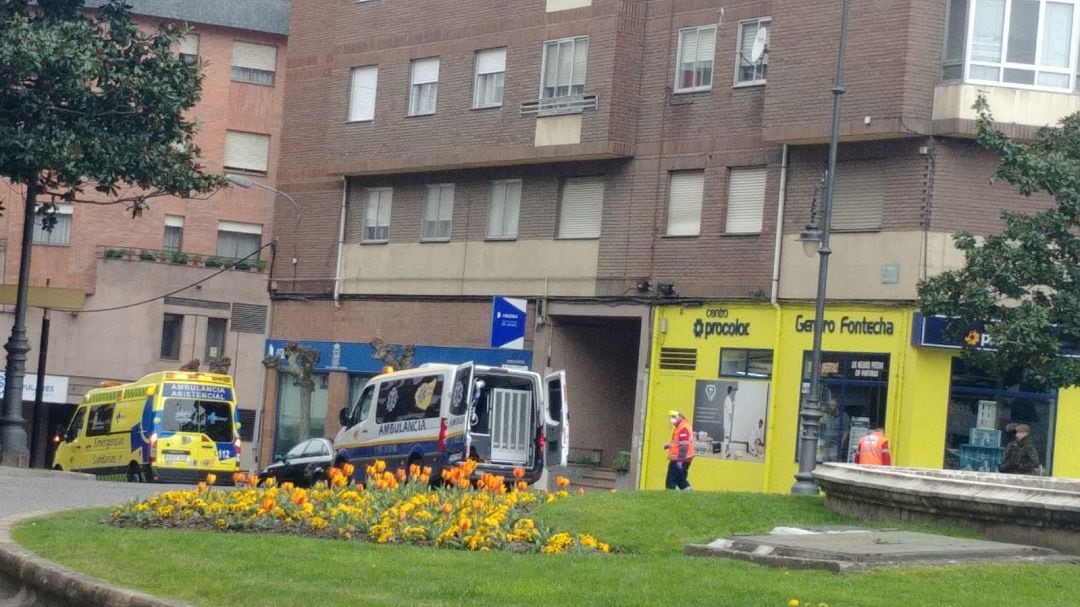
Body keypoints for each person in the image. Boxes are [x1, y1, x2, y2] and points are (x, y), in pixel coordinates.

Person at [663, 410, 695, 490]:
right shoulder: (683, 426)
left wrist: (680, 460)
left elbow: (684, 445)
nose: (672, 420)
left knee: (671, 481)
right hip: (685, 459)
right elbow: (678, 442)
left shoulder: (682, 428)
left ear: (680, 417)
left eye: (674, 417)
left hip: (679, 459)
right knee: (681, 480)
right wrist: (669, 445)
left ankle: (669, 498)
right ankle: (690, 495)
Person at [722, 386, 736, 457]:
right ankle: (724, 453)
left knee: (726, 438)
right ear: (731, 392)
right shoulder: (728, 400)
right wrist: (733, 420)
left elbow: (729, 407)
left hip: (726, 423)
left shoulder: (727, 399)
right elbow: (730, 413)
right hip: (727, 423)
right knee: (726, 438)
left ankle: (726, 452)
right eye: (733, 391)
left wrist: (732, 403)